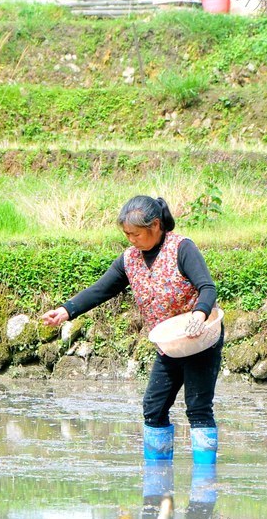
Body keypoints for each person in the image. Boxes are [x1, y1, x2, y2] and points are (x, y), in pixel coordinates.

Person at [41, 195, 222, 465]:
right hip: (169, 344)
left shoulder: (182, 249)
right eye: (127, 235)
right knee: (153, 407)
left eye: (135, 234)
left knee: (197, 408)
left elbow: (207, 287)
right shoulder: (130, 260)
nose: (131, 240)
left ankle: (205, 484)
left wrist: (199, 312)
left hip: (199, 338)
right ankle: (158, 484)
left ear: (156, 225)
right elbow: (102, 289)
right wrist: (66, 311)